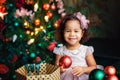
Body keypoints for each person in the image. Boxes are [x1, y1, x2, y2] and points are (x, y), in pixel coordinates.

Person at [53, 12, 97, 80]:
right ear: (63, 32)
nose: (72, 34)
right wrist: (60, 70)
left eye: (76, 31)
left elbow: (94, 67)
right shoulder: (60, 51)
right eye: (68, 31)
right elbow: (56, 68)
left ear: (82, 33)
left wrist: (83, 69)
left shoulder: (86, 50)